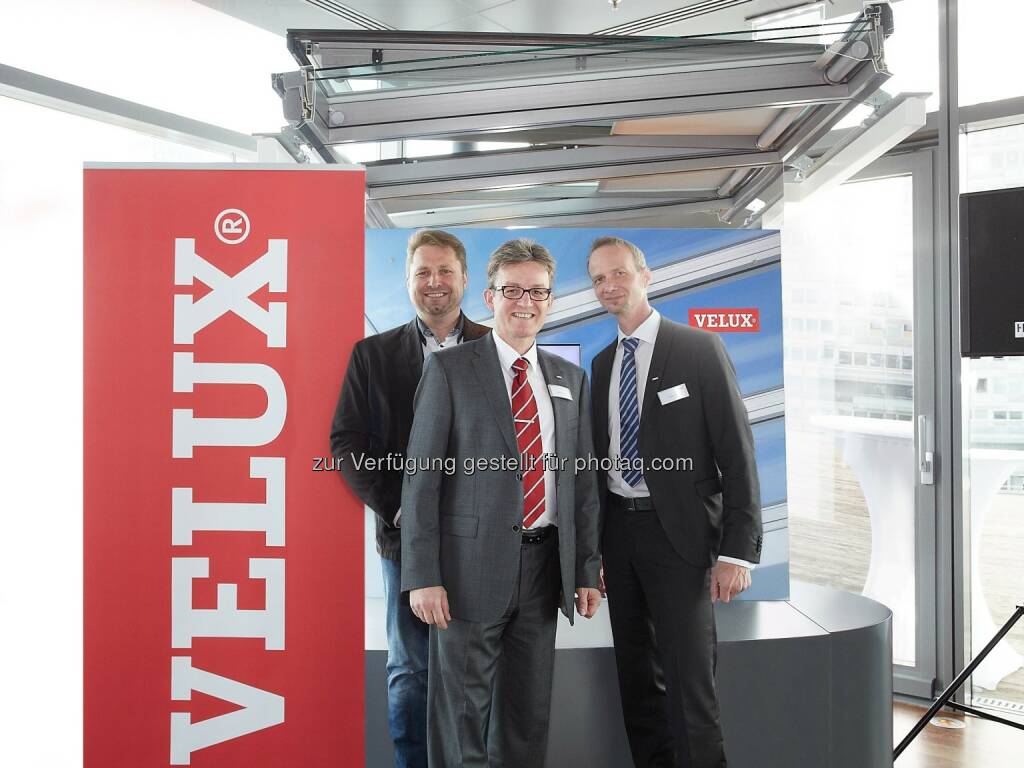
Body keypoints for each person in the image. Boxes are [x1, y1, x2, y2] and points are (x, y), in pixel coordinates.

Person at [401, 238, 602, 768]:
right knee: (460, 718)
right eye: (512, 290)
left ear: (551, 301)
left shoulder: (569, 379)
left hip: (542, 571)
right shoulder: (449, 370)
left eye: (537, 291)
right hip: (467, 573)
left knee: (526, 718)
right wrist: (422, 575)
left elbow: (580, 486)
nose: (525, 302)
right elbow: (421, 480)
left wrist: (584, 569)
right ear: (489, 297)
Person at [587, 236, 763, 768]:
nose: (608, 286)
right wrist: (593, 552)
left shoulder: (698, 348)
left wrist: (738, 551)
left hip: (681, 541)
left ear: (646, 275)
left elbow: (738, 454)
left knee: (691, 689)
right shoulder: (600, 366)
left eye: (618, 273)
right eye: (597, 279)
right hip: (620, 537)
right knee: (638, 683)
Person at [330, 229, 489, 768]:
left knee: (479, 670)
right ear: (408, 282)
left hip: (484, 540)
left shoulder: (501, 347)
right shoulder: (372, 355)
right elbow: (346, 443)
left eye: (445, 271)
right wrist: (401, 508)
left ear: (466, 279)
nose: (435, 283)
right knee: (412, 671)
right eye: (423, 273)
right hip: (404, 542)